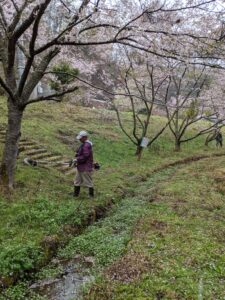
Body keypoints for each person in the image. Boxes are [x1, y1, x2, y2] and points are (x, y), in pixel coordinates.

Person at [72, 130, 94, 198]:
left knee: (88, 181)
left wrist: (77, 159)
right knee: (77, 180)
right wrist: (78, 154)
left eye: (81, 138)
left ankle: (91, 195)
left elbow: (85, 156)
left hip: (85, 166)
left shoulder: (86, 145)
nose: (79, 139)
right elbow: (82, 153)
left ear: (85, 137)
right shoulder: (84, 144)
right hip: (80, 166)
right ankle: (75, 195)